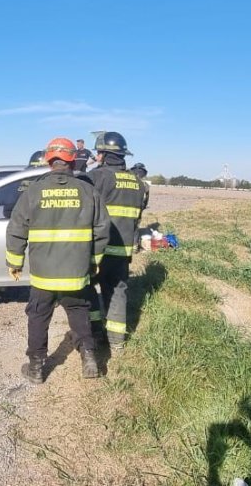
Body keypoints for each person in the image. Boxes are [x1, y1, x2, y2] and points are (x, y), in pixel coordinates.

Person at [6, 137, 110, 383]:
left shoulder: (33, 191)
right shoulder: (88, 191)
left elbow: (16, 228)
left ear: (49, 159)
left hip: (43, 275)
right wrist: (94, 260)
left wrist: (15, 262)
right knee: (78, 312)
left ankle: (36, 367)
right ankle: (89, 359)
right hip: (76, 273)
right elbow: (102, 229)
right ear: (73, 160)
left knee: (39, 316)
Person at [86, 131, 147, 349]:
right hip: (122, 251)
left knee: (88, 290)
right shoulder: (138, 183)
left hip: (98, 250)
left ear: (103, 154)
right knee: (118, 292)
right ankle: (116, 341)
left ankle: (94, 333)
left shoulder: (97, 177)